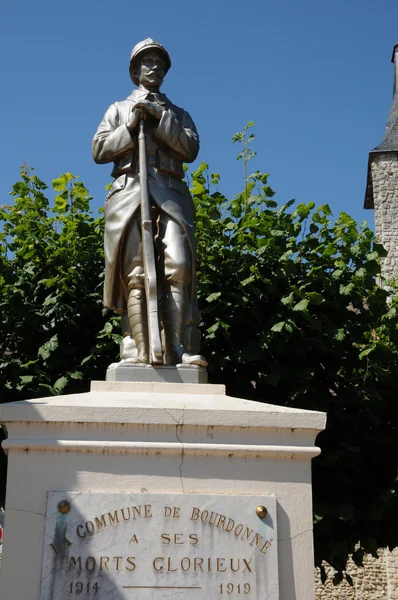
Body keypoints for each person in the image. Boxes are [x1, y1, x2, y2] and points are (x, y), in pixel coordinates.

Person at [92, 38, 206, 367]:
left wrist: (160, 118)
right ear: (135, 70)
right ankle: (137, 349)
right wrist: (129, 127)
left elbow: (190, 149)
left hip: (170, 192)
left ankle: (176, 348)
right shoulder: (117, 109)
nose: (153, 67)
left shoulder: (178, 113)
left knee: (179, 266)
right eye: (147, 62)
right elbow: (99, 150)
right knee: (135, 272)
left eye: (159, 63)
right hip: (129, 191)